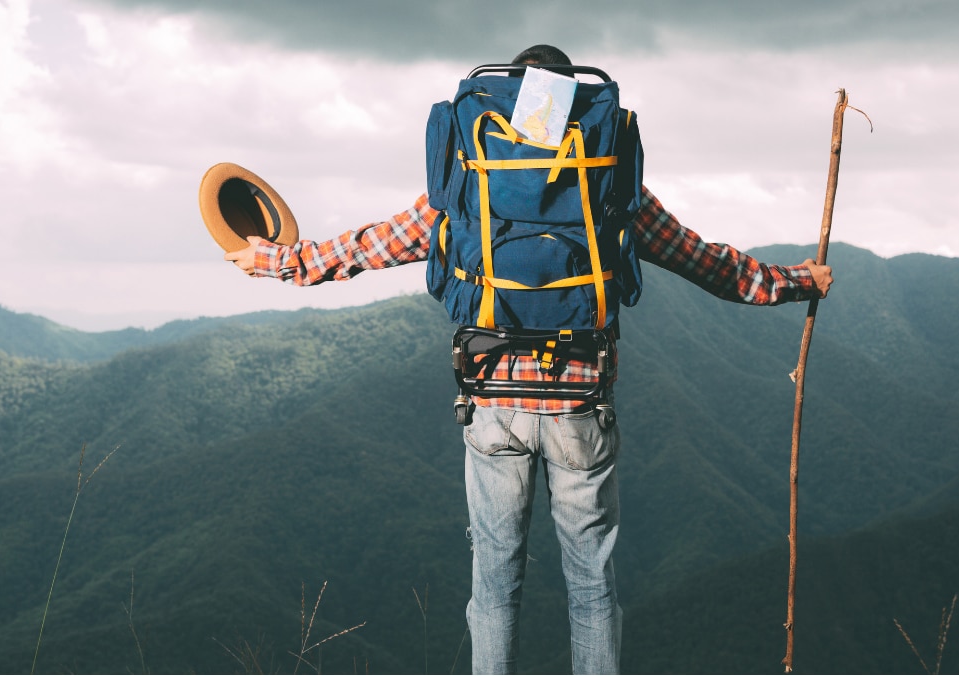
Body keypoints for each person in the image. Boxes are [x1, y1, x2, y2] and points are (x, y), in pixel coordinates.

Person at [225, 45, 832, 675]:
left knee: (493, 585)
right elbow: (705, 261)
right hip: (580, 404)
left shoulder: (470, 180)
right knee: (592, 586)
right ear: (576, 105)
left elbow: (368, 247)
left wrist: (277, 260)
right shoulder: (604, 178)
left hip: (493, 405)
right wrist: (795, 281)